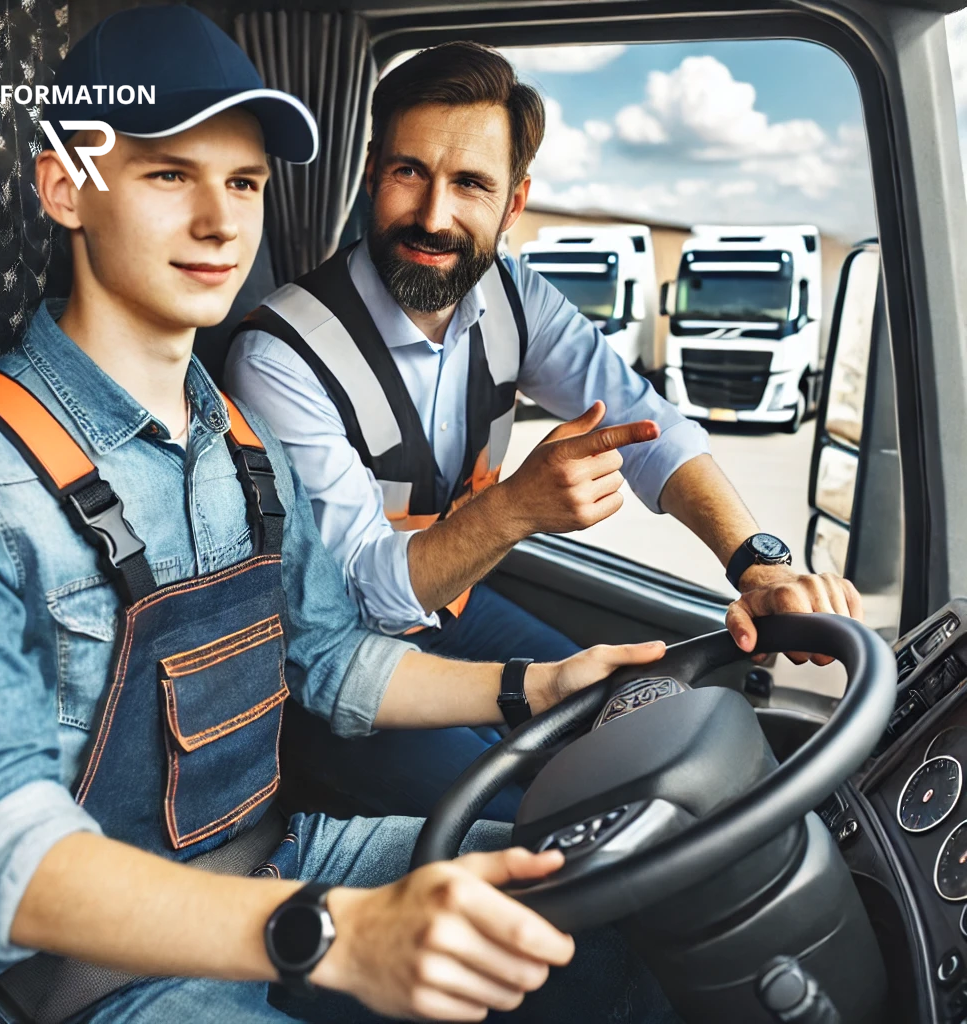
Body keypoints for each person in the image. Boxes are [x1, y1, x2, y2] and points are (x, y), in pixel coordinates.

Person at [0, 8, 680, 1024]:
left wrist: (536, 683)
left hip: (278, 853)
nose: (220, 223)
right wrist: (331, 934)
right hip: (83, 984)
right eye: (169, 174)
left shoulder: (240, 445)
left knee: (599, 901)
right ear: (67, 186)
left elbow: (330, 664)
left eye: (242, 182)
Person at [224, 41, 864, 819]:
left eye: (469, 184)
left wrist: (757, 565)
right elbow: (367, 593)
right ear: (369, 172)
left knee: (650, 727)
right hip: (344, 671)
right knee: (538, 826)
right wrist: (516, 510)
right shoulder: (280, 355)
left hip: (458, 613)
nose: (433, 215)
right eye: (408, 172)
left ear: (513, 204)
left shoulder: (516, 299)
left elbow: (649, 425)